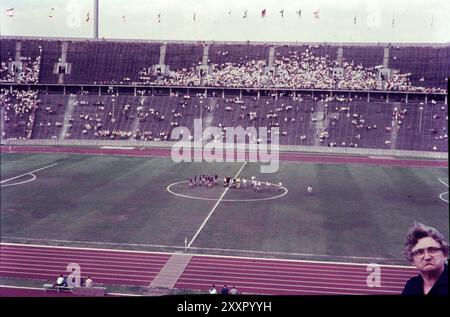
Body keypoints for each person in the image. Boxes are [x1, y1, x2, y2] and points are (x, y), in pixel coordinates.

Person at [401, 222, 448, 295]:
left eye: (432, 250)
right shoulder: (411, 286)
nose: (427, 257)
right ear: (412, 260)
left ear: (445, 254)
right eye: (419, 252)